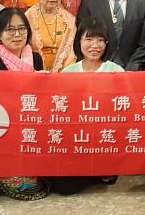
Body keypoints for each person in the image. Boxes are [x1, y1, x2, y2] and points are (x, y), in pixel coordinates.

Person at [0, 7, 48, 200]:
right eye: (10, 30)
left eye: (22, 29)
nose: (17, 34)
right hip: (3, 123)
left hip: (30, 118)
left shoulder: (35, 58)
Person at [49, 17, 122, 195]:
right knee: (59, 185)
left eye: (100, 40)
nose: (94, 46)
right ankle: (95, 174)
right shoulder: (67, 73)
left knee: (66, 187)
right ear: (79, 41)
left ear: (107, 43)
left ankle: (102, 170)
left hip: (104, 143)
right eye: (88, 39)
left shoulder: (116, 72)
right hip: (76, 144)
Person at [26, 0, 77, 72]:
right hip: (34, 73)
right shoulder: (28, 17)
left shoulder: (69, 20)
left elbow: (72, 53)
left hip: (63, 75)